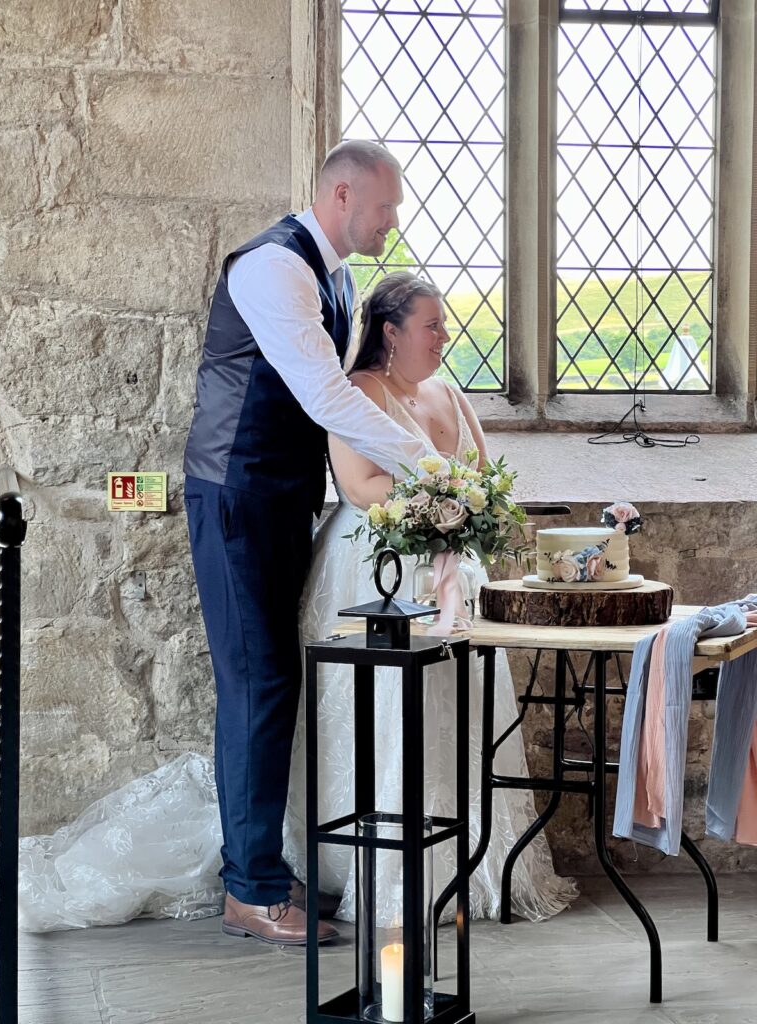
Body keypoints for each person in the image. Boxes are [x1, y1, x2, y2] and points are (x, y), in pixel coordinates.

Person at [183, 142, 435, 946]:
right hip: (235, 496)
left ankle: (265, 871)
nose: (393, 219)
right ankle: (251, 891)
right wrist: (431, 469)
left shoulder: (338, 275)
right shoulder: (271, 267)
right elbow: (326, 395)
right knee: (257, 686)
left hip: (280, 501)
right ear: (340, 194)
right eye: (385, 205)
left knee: (274, 683)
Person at [283, 272, 578, 923]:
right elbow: (361, 485)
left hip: (452, 570)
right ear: (391, 331)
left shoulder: (451, 392)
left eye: (444, 324)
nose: (444, 336)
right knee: (388, 713)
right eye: (431, 325)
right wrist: (437, 503)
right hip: (375, 568)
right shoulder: (359, 392)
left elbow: (480, 471)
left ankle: (469, 857)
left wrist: (462, 510)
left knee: (457, 712)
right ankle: (380, 861)